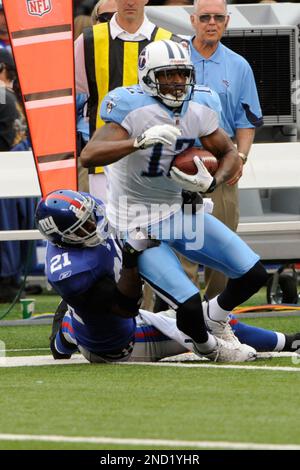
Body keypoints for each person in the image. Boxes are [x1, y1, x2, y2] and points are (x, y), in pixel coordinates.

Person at [80, 39, 270, 361]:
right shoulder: (131, 106)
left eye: (182, 75)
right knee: (188, 303)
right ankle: (209, 347)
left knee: (254, 274)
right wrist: (136, 142)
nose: (178, 83)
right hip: (137, 221)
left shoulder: (200, 104)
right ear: (148, 75)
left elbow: (228, 153)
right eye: (168, 75)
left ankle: (217, 318)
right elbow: (89, 155)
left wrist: (212, 182)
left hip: (176, 210)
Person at [35, 190, 299, 362]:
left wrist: (175, 201)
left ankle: (62, 339)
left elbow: (128, 208)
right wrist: (130, 259)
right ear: (65, 239)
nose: (96, 225)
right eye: (85, 228)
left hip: (89, 322)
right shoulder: (74, 272)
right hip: (118, 345)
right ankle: (289, 342)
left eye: (92, 218)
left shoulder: (77, 235)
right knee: (206, 322)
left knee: (74, 323)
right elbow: (127, 307)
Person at [190, 0, 263, 299]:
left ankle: (215, 317)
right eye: (205, 17)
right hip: (178, 160)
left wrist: (242, 157)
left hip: (222, 162)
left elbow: (246, 120)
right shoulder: (174, 57)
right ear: (193, 20)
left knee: (222, 246)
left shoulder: (239, 65)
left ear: (227, 22)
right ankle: (178, 317)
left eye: (218, 18)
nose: (211, 23)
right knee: (176, 242)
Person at [74, 0, 177, 201]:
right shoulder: (87, 41)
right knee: (109, 230)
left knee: (155, 231)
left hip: (156, 163)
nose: (130, 1)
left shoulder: (169, 42)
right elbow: (74, 93)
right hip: (104, 164)